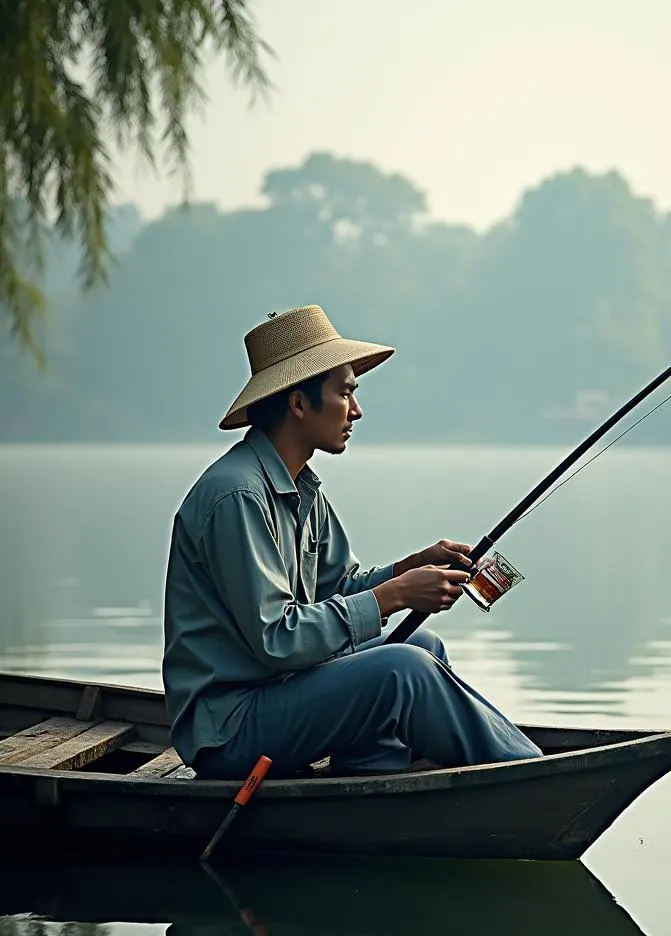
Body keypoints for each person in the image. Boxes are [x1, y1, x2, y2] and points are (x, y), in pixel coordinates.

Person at [160, 304, 542, 779]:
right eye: (345, 393)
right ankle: (532, 773)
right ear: (299, 404)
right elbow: (277, 640)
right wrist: (397, 595)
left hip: (278, 693)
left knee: (421, 645)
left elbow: (338, 590)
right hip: (231, 728)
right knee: (404, 670)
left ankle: (373, 772)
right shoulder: (238, 495)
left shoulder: (300, 488)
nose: (356, 411)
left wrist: (408, 569)